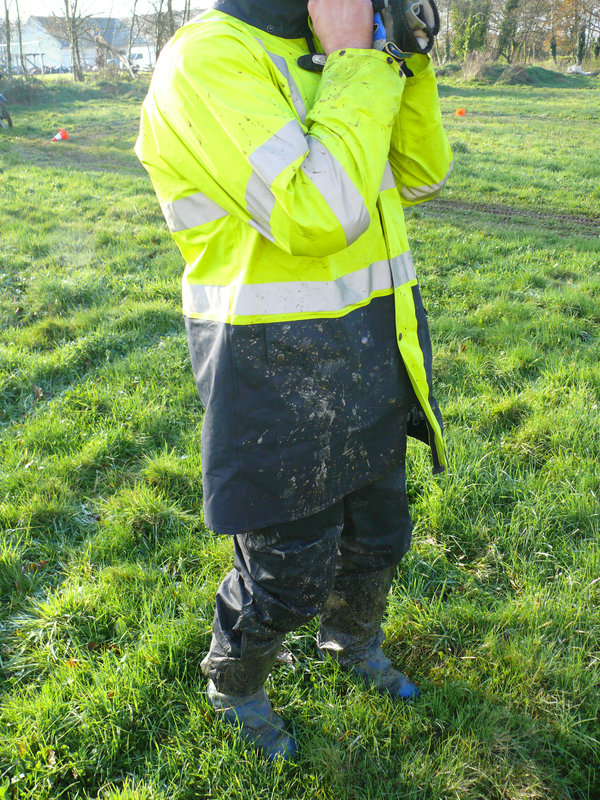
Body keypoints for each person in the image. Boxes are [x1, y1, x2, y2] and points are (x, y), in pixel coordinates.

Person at [136, 0, 452, 761]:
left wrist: (402, 59)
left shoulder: (335, 52)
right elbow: (317, 213)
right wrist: (356, 64)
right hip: (272, 361)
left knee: (379, 535)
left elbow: (420, 173)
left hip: (373, 343)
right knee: (288, 570)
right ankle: (235, 685)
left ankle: (351, 641)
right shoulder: (207, 59)